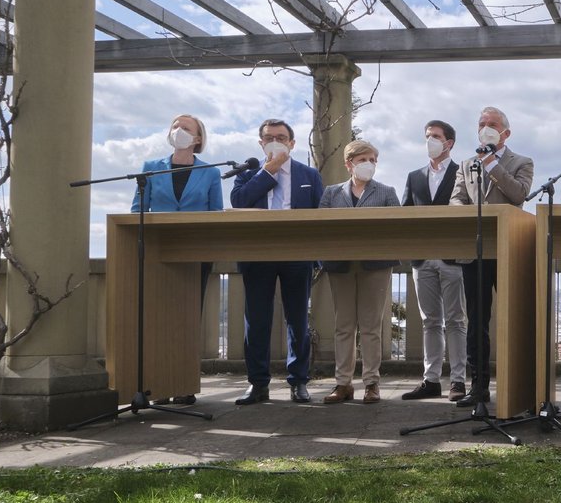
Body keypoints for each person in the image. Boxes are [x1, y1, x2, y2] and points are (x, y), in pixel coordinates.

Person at [130, 114, 223, 406]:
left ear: (197, 139)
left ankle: (183, 384)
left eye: (186, 128)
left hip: (195, 254)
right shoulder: (151, 169)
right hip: (158, 254)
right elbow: (137, 211)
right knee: (158, 321)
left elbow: (215, 215)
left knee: (187, 320)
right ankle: (158, 385)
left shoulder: (210, 172)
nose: (179, 131)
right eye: (175, 126)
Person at [230, 119, 324, 405]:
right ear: (261, 143)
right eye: (269, 137)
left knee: (297, 321)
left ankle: (298, 381)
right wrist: (267, 172)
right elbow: (239, 201)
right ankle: (258, 383)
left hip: (298, 255)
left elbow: (321, 215)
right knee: (257, 321)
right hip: (257, 255)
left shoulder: (308, 173)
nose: (276, 141)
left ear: (292, 143)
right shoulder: (248, 173)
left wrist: (317, 257)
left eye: (281, 137)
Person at [449, 106, 534, 407]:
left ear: (505, 133)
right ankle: (479, 388)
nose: (486, 128)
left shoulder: (522, 162)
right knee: (477, 322)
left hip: (510, 250)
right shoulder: (465, 164)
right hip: (476, 252)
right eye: (482, 124)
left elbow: (519, 194)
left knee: (515, 318)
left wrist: (491, 164)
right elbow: (456, 199)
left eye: (492, 124)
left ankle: (519, 386)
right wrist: (466, 212)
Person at [318, 140, 400, 405]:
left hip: (375, 264)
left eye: (373, 160)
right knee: (343, 325)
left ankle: (371, 383)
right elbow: (321, 225)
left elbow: (398, 226)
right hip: (340, 264)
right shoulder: (331, 193)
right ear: (349, 163)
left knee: (371, 326)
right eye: (363, 159)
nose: (369, 164)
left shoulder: (387, 192)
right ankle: (342, 383)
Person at [400, 120, 469, 402]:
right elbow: (406, 214)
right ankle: (430, 380)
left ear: (449, 142)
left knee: (455, 321)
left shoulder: (462, 173)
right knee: (430, 321)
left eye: (436, 136)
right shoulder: (414, 176)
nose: (430, 140)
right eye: (427, 136)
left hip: (452, 258)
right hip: (422, 259)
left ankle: (458, 381)